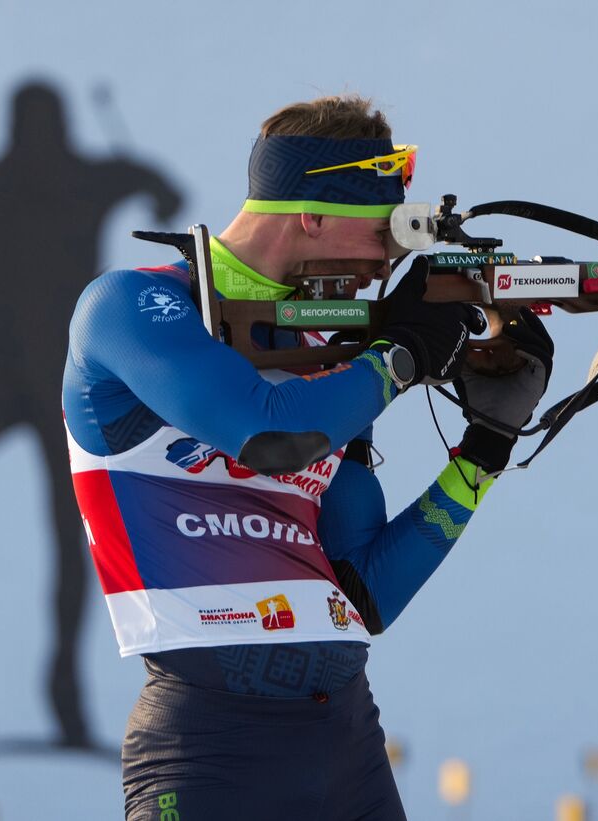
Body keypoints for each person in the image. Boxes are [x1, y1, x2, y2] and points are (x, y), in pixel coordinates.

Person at [63, 95, 553, 819]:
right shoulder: (130, 305)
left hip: (347, 742)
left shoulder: (329, 362)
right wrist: (406, 352)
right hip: (211, 748)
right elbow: (270, 436)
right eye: (383, 232)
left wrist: (484, 449)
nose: (389, 259)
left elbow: (365, 592)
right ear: (312, 214)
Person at [0, 79, 182, 750]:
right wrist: (155, 194)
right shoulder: (88, 177)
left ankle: (67, 699)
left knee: (71, 540)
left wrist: (156, 191)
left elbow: (159, 187)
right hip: (53, 381)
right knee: (71, 541)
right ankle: (67, 700)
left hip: (29, 381)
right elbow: (163, 189)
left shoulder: (25, 179)